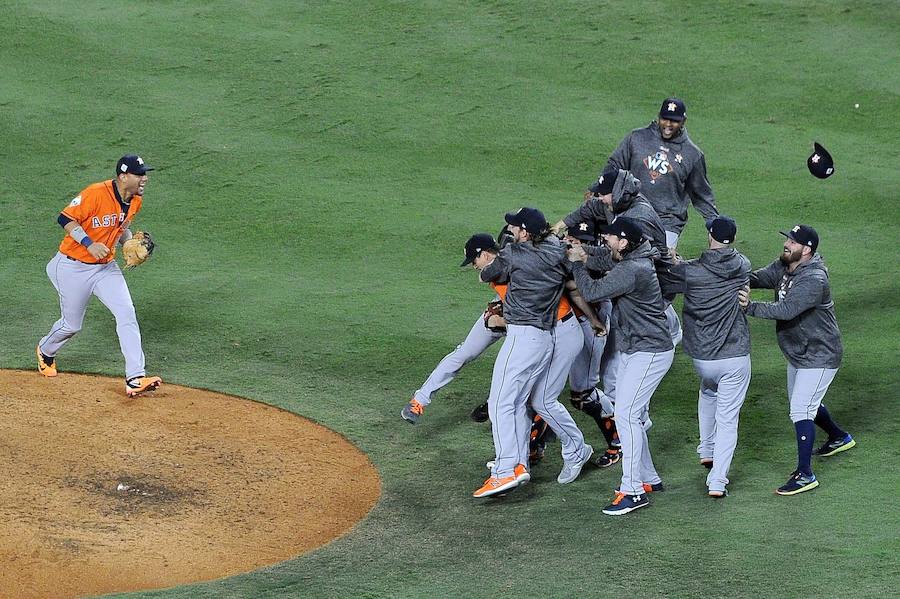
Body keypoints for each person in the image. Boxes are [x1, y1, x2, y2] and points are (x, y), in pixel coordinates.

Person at [474, 208, 593, 498]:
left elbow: (487, 273)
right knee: (520, 402)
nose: (511, 230)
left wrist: (508, 252)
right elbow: (572, 275)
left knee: (500, 403)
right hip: (544, 337)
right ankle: (517, 464)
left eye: (514, 227)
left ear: (525, 232)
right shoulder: (557, 251)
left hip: (525, 336)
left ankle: (504, 470)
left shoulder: (514, 255)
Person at [567, 217, 675, 515]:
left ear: (624, 243)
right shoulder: (631, 256)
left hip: (649, 352)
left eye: (611, 237)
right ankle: (649, 478)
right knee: (632, 415)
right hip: (637, 348)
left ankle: (633, 490)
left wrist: (578, 263)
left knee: (625, 414)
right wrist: (580, 248)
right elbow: (602, 255)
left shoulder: (632, 269)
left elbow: (590, 292)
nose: (606, 241)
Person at [739, 224, 855, 496]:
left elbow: (787, 310)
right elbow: (759, 278)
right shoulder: (784, 264)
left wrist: (749, 307)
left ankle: (805, 474)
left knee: (801, 409)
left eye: (793, 241)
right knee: (802, 403)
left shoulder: (814, 279)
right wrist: (730, 275)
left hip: (820, 354)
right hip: (799, 351)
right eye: (788, 239)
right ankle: (839, 436)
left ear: (807, 249)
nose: (787, 244)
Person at [36, 154, 162, 397]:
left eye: (145, 173)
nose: (144, 178)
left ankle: (135, 378)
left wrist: (131, 242)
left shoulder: (135, 201)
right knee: (71, 325)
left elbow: (121, 228)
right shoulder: (95, 193)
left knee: (127, 314)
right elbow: (65, 218)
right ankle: (45, 349)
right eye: (139, 174)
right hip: (72, 266)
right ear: (123, 177)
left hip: (105, 268)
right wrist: (89, 242)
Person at [662, 216, 751, 497]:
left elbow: (673, 278)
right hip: (734, 357)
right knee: (728, 419)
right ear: (732, 240)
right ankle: (717, 481)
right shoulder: (743, 266)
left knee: (709, 390)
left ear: (709, 236)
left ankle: (706, 448)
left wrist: (673, 261)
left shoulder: (691, 273)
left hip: (703, 360)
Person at [605, 97, 718, 249]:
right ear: (659, 117)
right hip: (630, 212)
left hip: (667, 222)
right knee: (618, 261)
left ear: (684, 121)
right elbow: (614, 165)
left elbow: (702, 195)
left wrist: (715, 226)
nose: (668, 124)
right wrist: (599, 189)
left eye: (674, 121)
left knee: (659, 267)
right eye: (665, 119)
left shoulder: (692, 154)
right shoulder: (637, 138)